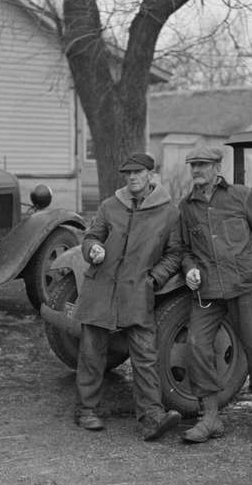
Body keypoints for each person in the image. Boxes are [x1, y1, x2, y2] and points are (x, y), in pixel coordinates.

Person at [74, 152, 182, 441]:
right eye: (128, 173)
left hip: (137, 289)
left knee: (145, 355)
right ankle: (86, 410)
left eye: (138, 172)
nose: (132, 177)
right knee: (92, 351)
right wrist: (92, 249)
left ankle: (152, 418)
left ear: (151, 175)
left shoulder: (169, 213)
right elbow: (91, 236)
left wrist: (154, 278)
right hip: (101, 286)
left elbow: (175, 254)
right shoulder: (111, 206)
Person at [179, 144, 252, 444]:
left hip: (247, 286)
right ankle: (210, 416)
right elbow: (185, 249)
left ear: (217, 169)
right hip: (209, 291)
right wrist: (189, 268)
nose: (196, 170)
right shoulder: (186, 207)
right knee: (197, 344)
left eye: (202, 165)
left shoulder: (240, 196)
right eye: (192, 165)